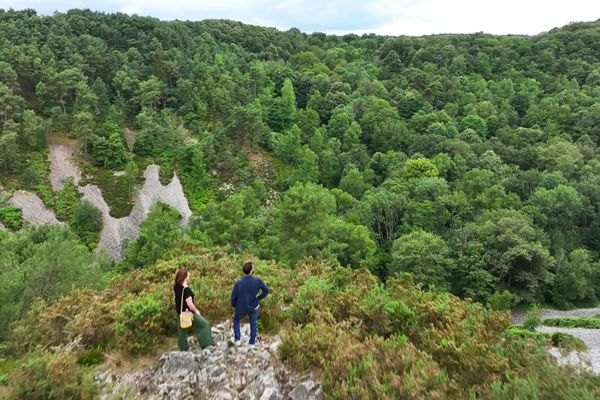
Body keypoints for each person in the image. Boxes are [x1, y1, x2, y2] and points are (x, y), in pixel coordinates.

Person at [173, 268, 214, 351]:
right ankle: (207, 344)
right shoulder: (187, 290)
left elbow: (175, 297)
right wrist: (196, 311)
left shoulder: (176, 287)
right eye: (188, 275)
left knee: (182, 331)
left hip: (180, 313)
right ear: (185, 277)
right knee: (204, 324)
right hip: (188, 313)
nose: (189, 276)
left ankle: (183, 348)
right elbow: (190, 304)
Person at [230, 262, 270, 345]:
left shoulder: (239, 283)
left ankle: (237, 339)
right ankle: (252, 342)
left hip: (241, 307)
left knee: (236, 319)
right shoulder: (257, 281)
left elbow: (233, 297)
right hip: (254, 306)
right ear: (252, 270)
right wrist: (259, 298)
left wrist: (234, 305)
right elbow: (267, 290)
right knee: (253, 322)